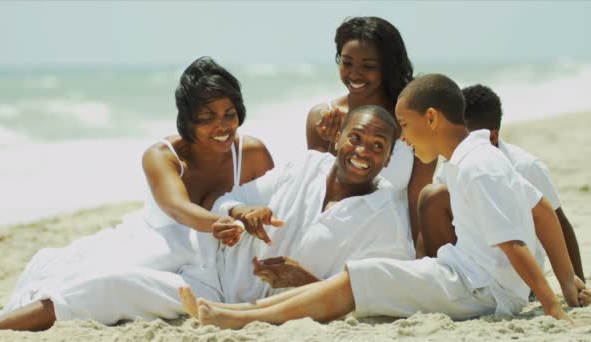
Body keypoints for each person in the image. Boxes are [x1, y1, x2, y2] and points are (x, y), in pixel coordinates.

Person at [182, 74, 589, 330]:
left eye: (406, 128)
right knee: (360, 275)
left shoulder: (477, 167)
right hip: (462, 273)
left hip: (482, 290)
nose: (406, 140)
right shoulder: (477, 157)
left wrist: (553, 307)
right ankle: (242, 312)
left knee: (363, 277)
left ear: (431, 119)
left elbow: (513, 244)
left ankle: (241, 318)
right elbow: (542, 213)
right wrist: (569, 284)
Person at [0, 56, 274, 332]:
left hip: (211, 264)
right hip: (155, 245)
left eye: (230, 114)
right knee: (84, 281)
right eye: (207, 117)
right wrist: (215, 224)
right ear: (188, 120)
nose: (222, 126)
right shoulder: (162, 155)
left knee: (111, 287)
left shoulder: (251, 153)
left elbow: (277, 200)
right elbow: (176, 208)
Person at [204, 104, 414, 307]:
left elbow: (375, 300)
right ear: (338, 138)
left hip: (272, 314)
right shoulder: (305, 165)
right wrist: (244, 213)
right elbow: (225, 201)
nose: (362, 151)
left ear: (388, 159)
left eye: (378, 145)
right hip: (214, 276)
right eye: (355, 138)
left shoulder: (388, 219)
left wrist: (301, 281)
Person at [417, 85, 584, 282]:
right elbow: (429, 224)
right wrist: (420, 266)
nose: (456, 143)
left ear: (492, 136)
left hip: (520, 274)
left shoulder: (526, 166)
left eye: (464, 137)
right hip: (470, 265)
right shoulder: (451, 164)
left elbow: (559, 223)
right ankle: (445, 278)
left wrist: (577, 280)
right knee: (433, 196)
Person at [305, 16, 435, 247]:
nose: (354, 74)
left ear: (388, 67)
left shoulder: (413, 121)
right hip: (334, 243)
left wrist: (420, 259)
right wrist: (329, 145)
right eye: (346, 63)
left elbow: (419, 198)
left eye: (368, 66)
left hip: (392, 243)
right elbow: (316, 194)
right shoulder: (322, 117)